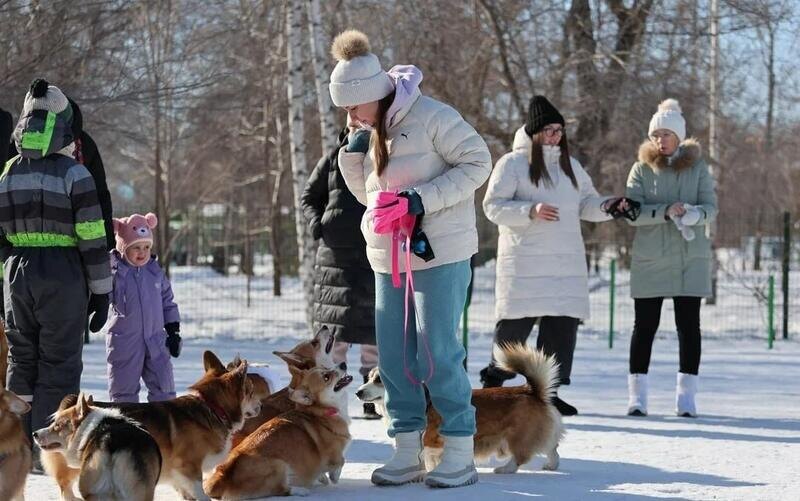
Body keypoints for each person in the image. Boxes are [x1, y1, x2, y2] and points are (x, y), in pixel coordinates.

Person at [329, 30, 491, 488]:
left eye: (352, 106)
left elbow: (478, 162)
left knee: (437, 351)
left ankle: (459, 447)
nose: (348, 115)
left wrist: (419, 199)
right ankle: (406, 447)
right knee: (396, 357)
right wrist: (353, 159)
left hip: (439, 254)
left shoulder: (434, 116)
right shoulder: (367, 131)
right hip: (387, 258)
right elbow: (371, 197)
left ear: (372, 94)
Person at [480, 95, 628, 417]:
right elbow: (492, 207)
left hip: (565, 262)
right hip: (526, 262)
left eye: (559, 130)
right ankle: (494, 383)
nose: (555, 136)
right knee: (515, 328)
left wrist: (609, 207)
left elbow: (587, 203)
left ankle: (549, 392)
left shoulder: (570, 167)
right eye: (548, 130)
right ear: (533, 132)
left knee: (560, 327)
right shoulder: (512, 164)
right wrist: (529, 210)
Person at [1, 80, 112, 445]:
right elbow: (93, 238)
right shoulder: (75, 174)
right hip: (64, 273)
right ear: (62, 124)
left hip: (17, 272)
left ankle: (14, 444)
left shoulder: (6, 173)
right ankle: (48, 446)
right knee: (59, 362)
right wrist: (101, 291)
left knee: (21, 358)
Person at [624, 99, 717, 418]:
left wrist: (692, 214)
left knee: (689, 328)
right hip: (650, 259)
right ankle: (637, 397)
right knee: (644, 326)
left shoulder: (698, 168)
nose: (659, 140)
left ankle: (686, 399)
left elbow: (711, 208)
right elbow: (632, 212)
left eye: (665, 134)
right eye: (655, 135)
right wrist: (663, 212)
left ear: (679, 136)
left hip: (690, 259)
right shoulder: (640, 168)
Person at [301, 126, 379, 420]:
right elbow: (309, 196)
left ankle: (372, 395)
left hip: (375, 252)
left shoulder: (385, 155)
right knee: (335, 336)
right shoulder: (333, 158)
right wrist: (318, 224)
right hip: (335, 257)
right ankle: (332, 399)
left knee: (374, 334)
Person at [107, 213, 181, 402]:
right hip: (125, 341)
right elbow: (102, 294)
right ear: (123, 248)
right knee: (123, 392)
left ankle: (163, 426)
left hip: (156, 340)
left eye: (146, 247)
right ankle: (125, 427)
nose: (142, 252)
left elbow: (167, 301)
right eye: (136, 247)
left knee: (165, 388)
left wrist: (173, 331)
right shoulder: (115, 272)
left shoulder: (154, 272)